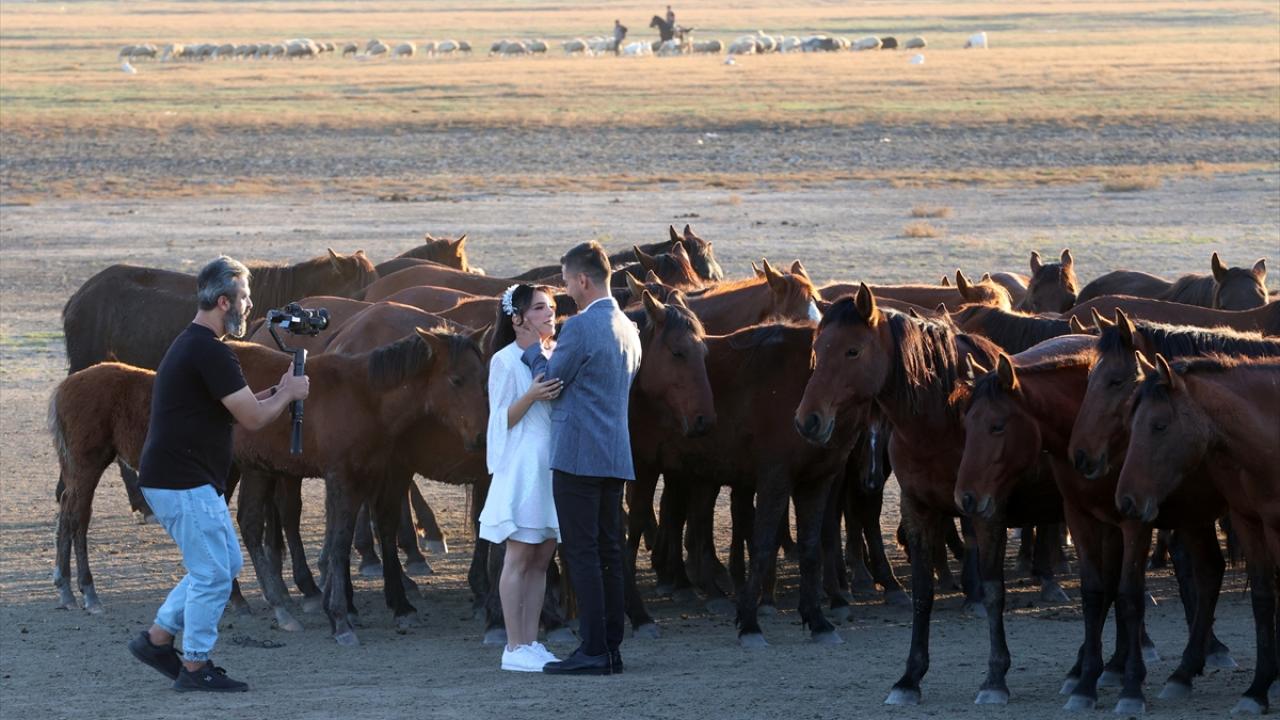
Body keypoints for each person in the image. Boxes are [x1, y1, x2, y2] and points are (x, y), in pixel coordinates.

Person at [127, 256, 310, 692]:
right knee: (212, 574)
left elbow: (238, 404)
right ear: (224, 302)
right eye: (244, 297)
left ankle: (157, 640)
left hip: (179, 479)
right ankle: (195, 667)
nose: (250, 305)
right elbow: (254, 419)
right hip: (182, 482)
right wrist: (288, 394)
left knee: (222, 565)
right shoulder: (209, 351)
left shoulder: (196, 345)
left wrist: (278, 391)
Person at [520, 241, 641, 676]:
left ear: (584, 280)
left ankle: (593, 648)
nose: (567, 290)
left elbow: (551, 384)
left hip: (577, 455)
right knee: (609, 550)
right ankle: (610, 648)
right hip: (615, 453)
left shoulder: (580, 328)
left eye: (568, 281)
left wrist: (535, 352)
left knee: (583, 553)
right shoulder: (628, 327)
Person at [478, 283, 565, 672]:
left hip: (551, 464)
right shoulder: (504, 360)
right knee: (519, 555)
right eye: (540, 308)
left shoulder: (555, 354)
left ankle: (531, 641)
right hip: (524, 465)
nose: (549, 314)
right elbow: (500, 420)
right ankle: (513, 646)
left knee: (542, 556)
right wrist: (531, 395)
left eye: (551, 307)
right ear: (517, 319)